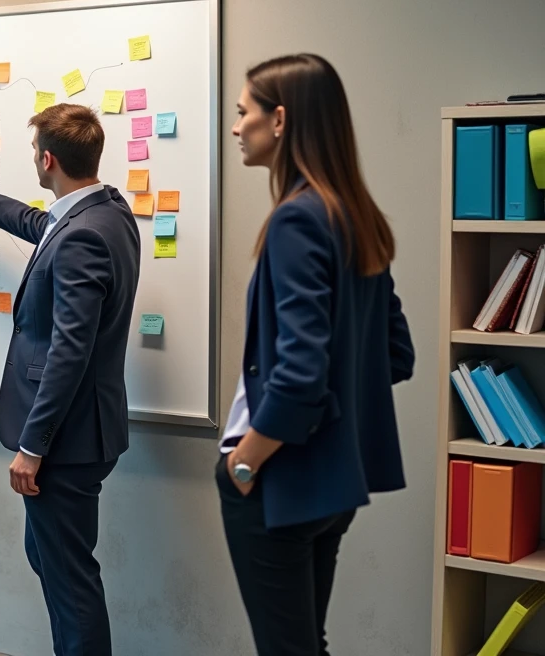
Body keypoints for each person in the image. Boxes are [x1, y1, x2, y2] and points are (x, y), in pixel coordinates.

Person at [0, 103, 140, 656]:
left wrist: (32, 447)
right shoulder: (105, 212)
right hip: (86, 430)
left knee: (70, 584)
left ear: (46, 159)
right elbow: (34, 222)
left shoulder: (80, 236)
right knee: (49, 558)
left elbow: (70, 350)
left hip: (64, 441)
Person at [219, 54, 414, 656]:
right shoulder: (356, 217)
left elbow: (301, 374)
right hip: (333, 481)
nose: (235, 127)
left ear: (279, 121)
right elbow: (396, 355)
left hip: (278, 474)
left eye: (243, 112)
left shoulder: (296, 222)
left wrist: (246, 464)